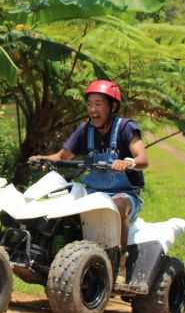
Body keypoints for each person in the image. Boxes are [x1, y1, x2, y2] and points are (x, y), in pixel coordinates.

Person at [29, 80, 148, 278]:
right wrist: (42, 159)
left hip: (124, 195)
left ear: (113, 106)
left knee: (117, 205)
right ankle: (53, 255)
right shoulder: (85, 130)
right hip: (92, 193)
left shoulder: (126, 128)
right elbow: (61, 157)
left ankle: (119, 260)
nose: (93, 109)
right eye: (90, 103)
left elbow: (143, 159)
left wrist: (127, 163)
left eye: (99, 103)